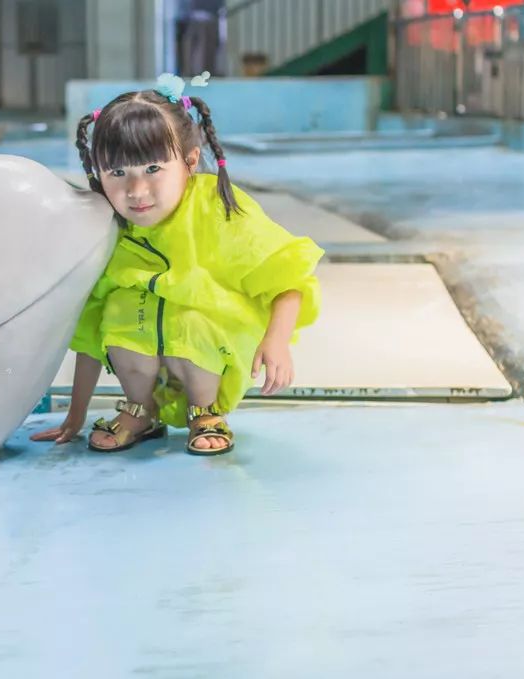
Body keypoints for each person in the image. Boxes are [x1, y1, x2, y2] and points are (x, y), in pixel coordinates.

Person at [31, 74, 324, 455]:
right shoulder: (104, 224)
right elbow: (89, 328)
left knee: (189, 315)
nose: (136, 191)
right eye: (117, 173)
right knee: (120, 306)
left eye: (153, 169)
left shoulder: (217, 208)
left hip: (208, 353)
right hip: (143, 355)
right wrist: (75, 415)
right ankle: (139, 409)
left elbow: (287, 279)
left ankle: (204, 411)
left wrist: (277, 341)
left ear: (188, 161)